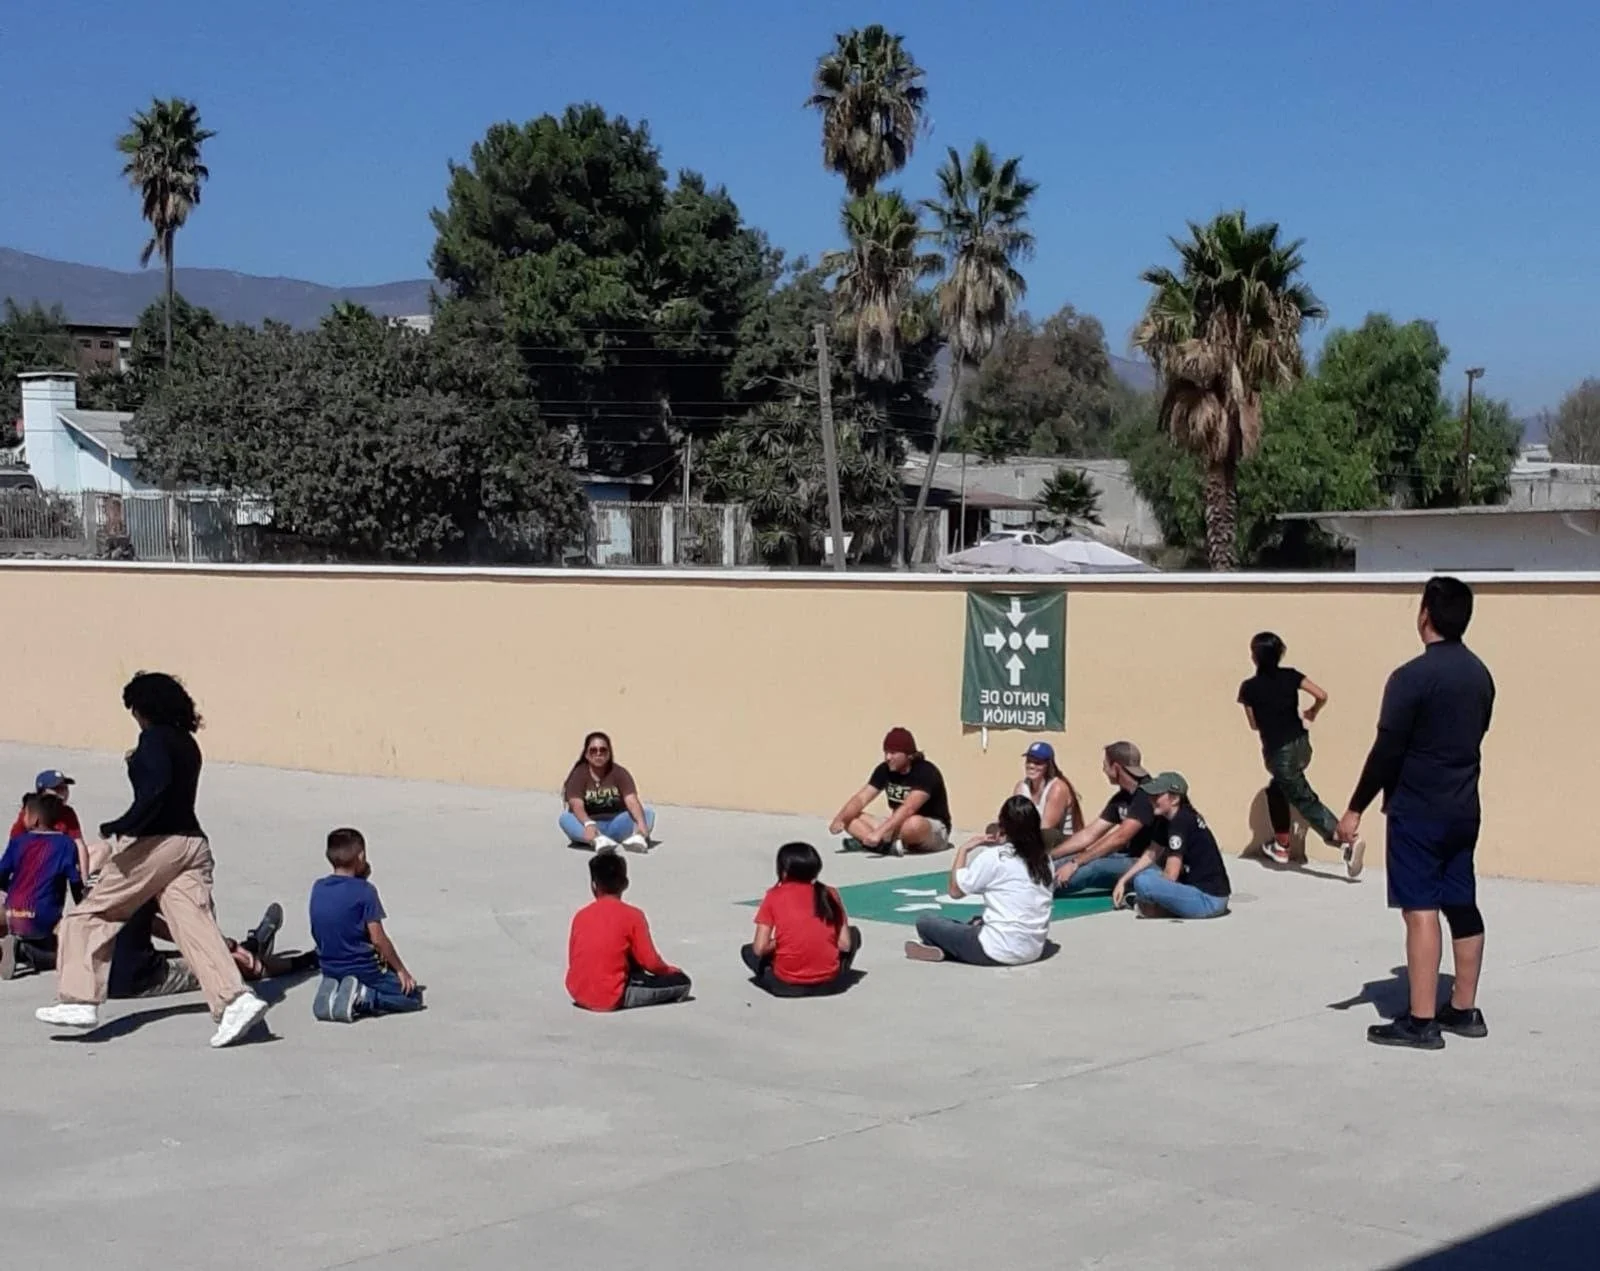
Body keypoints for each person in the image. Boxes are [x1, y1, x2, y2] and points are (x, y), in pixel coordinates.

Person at [33, 672, 271, 1048]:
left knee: (90, 914)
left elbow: (156, 789)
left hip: (156, 843)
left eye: (134, 710)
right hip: (193, 844)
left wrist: (123, 824)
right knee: (192, 924)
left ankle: (79, 1000)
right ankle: (235, 1000)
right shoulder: (187, 743)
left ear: (144, 708)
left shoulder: (154, 739)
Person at [1338, 577, 1495, 1051]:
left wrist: (1354, 808)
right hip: (1463, 808)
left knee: (1420, 908)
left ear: (1425, 614)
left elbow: (1387, 750)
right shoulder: (1480, 676)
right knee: (1461, 902)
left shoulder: (1411, 677)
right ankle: (1464, 1009)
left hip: (1418, 809)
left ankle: (1422, 1020)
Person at [1238, 632, 1364, 876]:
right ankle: (1282, 845)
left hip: (1279, 754)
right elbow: (1322, 695)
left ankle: (1346, 841)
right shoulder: (1291, 675)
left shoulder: (1249, 688)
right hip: (1302, 747)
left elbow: (1253, 725)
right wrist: (1313, 710)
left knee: (1304, 799)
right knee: (1277, 790)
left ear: (1254, 657)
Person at [904, 795, 1054, 966]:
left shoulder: (995, 857)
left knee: (925, 922)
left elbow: (955, 891)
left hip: (994, 951)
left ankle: (945, 948)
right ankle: (950, 948)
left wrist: (964, 850)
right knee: (978, 920)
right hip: (1033, 951)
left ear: (1003, 826)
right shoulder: (1045, 860)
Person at [310, 828, 424, 1023]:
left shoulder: (318, 887)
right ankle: (363, 997)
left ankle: (335, 991)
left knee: (359, 975)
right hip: (362, 967)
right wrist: (401, 970)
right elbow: (378, 939)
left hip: (329, 966)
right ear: (361, 856)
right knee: (411, 997)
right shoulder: (365, 891)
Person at [109, 899, 317, 999]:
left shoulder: (107, 881)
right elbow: (174, 923)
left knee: (207, 951)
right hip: (140, 979)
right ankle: (306, 961)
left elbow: (155, 924)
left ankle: (253, 946)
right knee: (227, 965)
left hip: (105, 973)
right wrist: (220, 945)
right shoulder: (145, 881)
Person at [566, 852, 691, 1011]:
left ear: (593, 885)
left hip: (578, 991)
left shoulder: (580, 916)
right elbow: (651, 962)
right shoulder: (633, 915)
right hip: (611, 995)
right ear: (625, 883)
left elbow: (574, 959)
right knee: (682, 982)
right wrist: (670, 971)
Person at [742, 842, 861, 997]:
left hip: (786, 986)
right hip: (829, 985)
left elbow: (760, 948)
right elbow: (844, 944)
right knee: (853, 933)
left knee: (748, 951)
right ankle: (830, 970)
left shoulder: (774, 895)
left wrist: (782, 941)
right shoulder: (830, 893)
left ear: (783, 870)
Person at [1111, 773, 1232, 919]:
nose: (1151, 799)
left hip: (1208, 900)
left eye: (1157, 796)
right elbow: (1152, 853)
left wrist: (1151, 891)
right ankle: (1152, 907)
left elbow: (1171, 875)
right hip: (1192, 888)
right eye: (1151, 795)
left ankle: (1154, 909)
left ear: (1174, 799)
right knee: (1145, 874)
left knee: (1143, 882)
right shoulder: (1166, 819)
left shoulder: (1181, 822)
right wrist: (1123, 880)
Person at [1049, 742, 1161, 895]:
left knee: (1092, 867)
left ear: (1116, 767)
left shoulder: (1147, 794)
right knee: (1062, 861)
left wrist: (1076, 863)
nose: (1104, 770)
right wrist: (1050, 856)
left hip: (1147, 864)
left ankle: (1031, 890)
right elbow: (1089, 834)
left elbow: (1120, 837)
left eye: (1105, 765)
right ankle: (1024, 879)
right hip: (1125, 857)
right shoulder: (1122, 798)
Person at [829, 727, 953, 856]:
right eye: (886, 752)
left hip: (930, 829)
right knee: (850, 817)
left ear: (908, 754)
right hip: (897, 825)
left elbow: (909, 808)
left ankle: (873, 843)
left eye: (893, 753)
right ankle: (883, 846)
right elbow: (861, 798)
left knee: (913, 825)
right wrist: (839, 819)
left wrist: (879, 832)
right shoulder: (885, 769)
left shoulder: (926, 772)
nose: (888, 757)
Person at [0, 793, 85, 978]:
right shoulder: (66, 844)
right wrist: (83, 908)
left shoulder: (18, 842)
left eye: (25, 813)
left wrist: (5, 898)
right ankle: (24, 951)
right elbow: (75, 882)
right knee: (67, 954)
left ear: (35, 819)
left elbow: (2, 874)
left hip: (11, 914)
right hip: (44, 917)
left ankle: (14, 944)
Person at [560, 731, 655, 852]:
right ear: (586, 755)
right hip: (589, 824)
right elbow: (576, 804)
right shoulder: (578, 774)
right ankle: (598, 840)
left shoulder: (619, 772)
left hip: (615, 823)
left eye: (603, 750)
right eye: (593, 750)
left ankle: (638, 838)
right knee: (565, 819)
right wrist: (588, 823)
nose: (598, 754)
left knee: (647, 814)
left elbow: (631, 800)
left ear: (609, 753)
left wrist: (641, 823)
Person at [9, 770, 89, 884]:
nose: (63, 793)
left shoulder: (67, 812)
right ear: (43, 792)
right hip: (36, 860)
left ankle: (78, 882)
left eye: (65, 788)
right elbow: (16, 843)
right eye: (57, 789)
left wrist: (84, 879)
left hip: (60, 858)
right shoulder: (32, 812)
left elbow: (79, 843)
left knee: (103, 849)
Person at [1013, 741, 1083, 848]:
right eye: (1029, 761)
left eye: (1037, 763)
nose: (1031, 766)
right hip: (1031, 843)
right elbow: (1014, 819)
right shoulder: (1021, 787)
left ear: (1048, 765)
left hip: (1062, 846)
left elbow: (1045, 830)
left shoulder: (1057, 788)